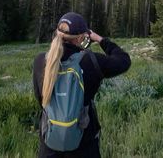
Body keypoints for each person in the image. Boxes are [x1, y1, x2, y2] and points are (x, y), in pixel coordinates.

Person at [33, 12, 131, 158]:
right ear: (80, 38)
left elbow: (40, 99)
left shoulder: (41, 61)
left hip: (49, 144)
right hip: (84, 145)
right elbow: (124, 61)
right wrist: (100, 40)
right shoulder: (91, 61)